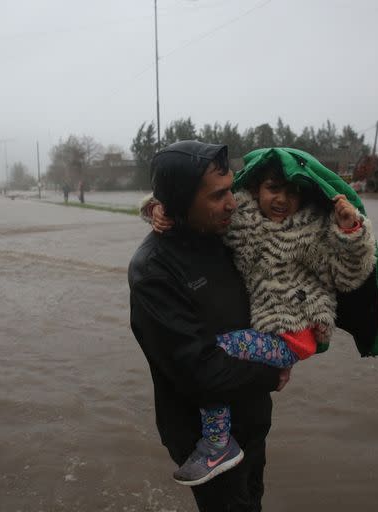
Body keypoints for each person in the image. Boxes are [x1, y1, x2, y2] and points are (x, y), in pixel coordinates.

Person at [143, 150, 378, 486]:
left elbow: (346, 275)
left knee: (218, 350)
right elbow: (192, 201)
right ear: (256, 189)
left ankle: (217, 442)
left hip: (294, 333)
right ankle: (221, 442)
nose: (282, 199)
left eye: (292, 191)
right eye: (273, 188)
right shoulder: (238, 218)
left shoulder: (310, 230)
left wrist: (351, 231)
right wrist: (156, 207)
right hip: (264, 342)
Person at [128, 141, 292, 511]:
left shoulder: (227, 233)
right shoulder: (154, 271)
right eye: (218, 195)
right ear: (181, 202)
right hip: (205, 440)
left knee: (254, 499)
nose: (232, 203)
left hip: (253, 419)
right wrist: (271, 375)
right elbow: (199, 371)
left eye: (231, 189)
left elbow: (301, 208)